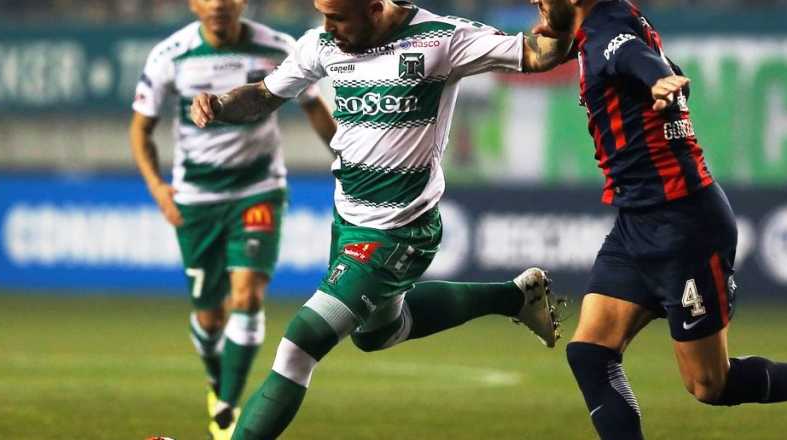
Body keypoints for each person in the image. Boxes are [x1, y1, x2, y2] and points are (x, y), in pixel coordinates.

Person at [189, 0, 574, 437]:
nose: (326, 26)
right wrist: (220, 104)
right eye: (323, 14)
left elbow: (541, 54)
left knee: (301, 343)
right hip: (348, 219)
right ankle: (515, 297)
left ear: (374, 9)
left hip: (400, 230)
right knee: (379, 333)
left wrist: (562, 18)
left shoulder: (441, 39)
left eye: (336, 17)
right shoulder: (322, 43)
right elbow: (263, 94)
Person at [527, 0, 787, 439]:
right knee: (589, 352)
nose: (535, 1)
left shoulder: (607, 38)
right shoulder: (614, 19)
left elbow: (634, 58)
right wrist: (659, 82)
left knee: (709, 384)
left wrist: (658, 81)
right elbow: (655, 66)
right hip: (638, 221)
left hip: (683, 225)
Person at [128, 0, 336, 437]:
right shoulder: (171, 54)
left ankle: (225, 407)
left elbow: (314, 107)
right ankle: (215, 379)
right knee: (209, 318)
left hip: (258, 190)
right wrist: (157, 187)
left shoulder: (278, 46)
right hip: (196, 198)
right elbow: (140, 127)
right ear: (192, 3)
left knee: (248, 296)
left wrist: (348, 160)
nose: (219, 4)